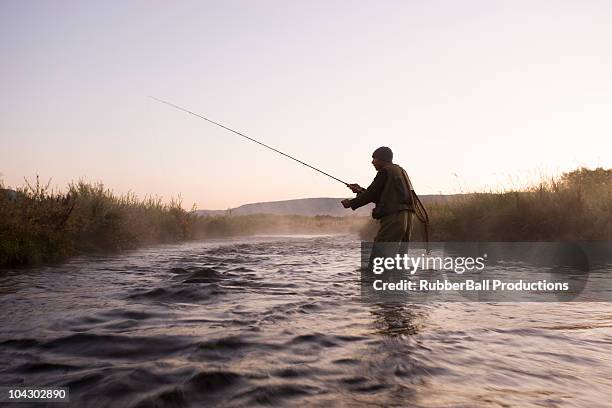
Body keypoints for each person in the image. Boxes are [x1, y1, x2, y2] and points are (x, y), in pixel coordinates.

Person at [341, 146, 415, 246]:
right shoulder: (400, 170)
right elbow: (381, 196)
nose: (372, 162)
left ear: (382, 159)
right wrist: (360, 190)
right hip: (407, 218)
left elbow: (371, 194)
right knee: (398, 257)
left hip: (394, 217)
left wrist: (351, 203)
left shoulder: (385, 171)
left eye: (374, 158)